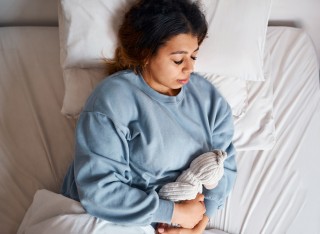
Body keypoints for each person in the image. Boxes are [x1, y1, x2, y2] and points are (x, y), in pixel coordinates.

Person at [61, 0, 237, 233]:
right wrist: (174, 213)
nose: (189, 69)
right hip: (106, 219)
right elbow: (99, 191)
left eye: (194, 57)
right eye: (178, 59)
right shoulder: (113, 99)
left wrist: (198, 223)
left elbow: (224, 167)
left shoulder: (209, 100)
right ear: (146, 53)